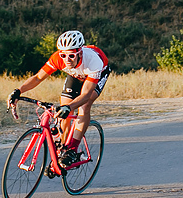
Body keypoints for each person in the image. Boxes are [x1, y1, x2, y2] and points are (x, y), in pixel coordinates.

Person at [8, 30, 110, 168]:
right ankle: (62, 150)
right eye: (63, 55)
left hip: (96, 75)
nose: (67, 60)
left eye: (71, 55)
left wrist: (70, 108)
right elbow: (38, 77)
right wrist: (18, 91)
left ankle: (73, 149)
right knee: (64, 110)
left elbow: (85, 95)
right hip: (75, 75)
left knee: (84, 105)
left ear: (80, 52)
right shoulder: (58, 58)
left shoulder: (93, 61)